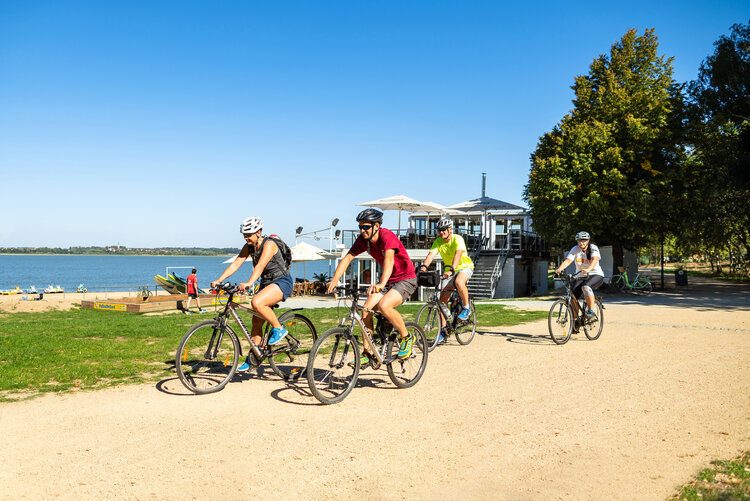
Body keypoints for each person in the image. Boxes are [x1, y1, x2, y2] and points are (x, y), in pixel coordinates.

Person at [326, 208, 418, 368]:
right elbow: (348, 258)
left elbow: (389, 260)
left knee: (384, 305)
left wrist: (381, 284)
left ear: (376, 226)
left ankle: (407, 337)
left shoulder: (386, 236)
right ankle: (368, 353)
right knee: (366, 310)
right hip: (389, 281)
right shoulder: (363, 240)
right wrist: (335, 280)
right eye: (360, 226)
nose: (362, 230)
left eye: (366, 226)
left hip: (406, 279)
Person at [212, 217, 294, 371]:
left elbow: (261, 265)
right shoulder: (248, 247)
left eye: (249, 234)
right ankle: (254, 357)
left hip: (282, 281)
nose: (246, 237)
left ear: (259, 232)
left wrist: (249, 282)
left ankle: (279, 328)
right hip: (266, 283)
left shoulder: (269, 244)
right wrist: (219, 280)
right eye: (244, 234)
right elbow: (237, 263)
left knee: (257, 303)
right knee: (256, 323)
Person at [418, 217, 474, 342]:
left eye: (444, 230)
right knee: (442, 300)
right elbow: (430, 255)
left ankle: (466, 308)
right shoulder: (438, 241)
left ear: (450, 229)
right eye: (439, 230)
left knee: (459, 282)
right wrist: (423, 268)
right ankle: (444, 330)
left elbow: (458, 254)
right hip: (450, 271)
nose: (441, 232)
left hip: (464, 267)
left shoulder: (457, 239)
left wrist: (452, 270)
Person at [554, 231, 604, 331]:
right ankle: (576, 320)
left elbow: (595, 260)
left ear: (588, 241)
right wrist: (560, 269)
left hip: (595, 274)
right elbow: (568, 260)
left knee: (586, 287)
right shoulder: (575, 249)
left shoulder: (593, 248)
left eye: (584, 240)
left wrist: (588, 269)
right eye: (579, 240)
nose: (581, 243)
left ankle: (591, 311)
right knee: (571, 295)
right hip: (580, 276)